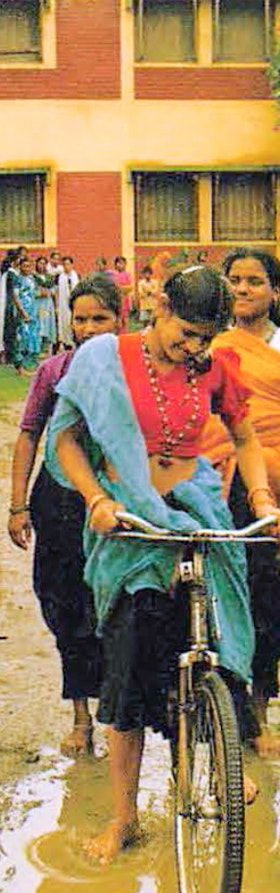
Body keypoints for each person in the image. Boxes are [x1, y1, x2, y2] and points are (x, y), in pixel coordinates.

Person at [45, 264, 280, 864]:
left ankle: (210, 757)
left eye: (207, 337)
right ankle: (123, 818)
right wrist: (95, 497)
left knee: (214, 640)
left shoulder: (214, 366)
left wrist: (259, 500)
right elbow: (66, 439)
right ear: (159, 308)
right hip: (130, 522)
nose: (195, 348)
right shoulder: (103, 358)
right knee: (129, 666)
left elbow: (245, 437)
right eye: (187, 333)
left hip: (196, 511)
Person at [8, 273, 121, 755]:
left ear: (121, 320)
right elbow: (29, 434)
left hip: (114, 505)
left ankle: (118, 719)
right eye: (81, 319)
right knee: (63, 604)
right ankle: (80, 716)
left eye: (101, 318)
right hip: (56, 500)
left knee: (113, 608)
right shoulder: (54, 372)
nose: (90, 328)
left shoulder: (134, 373)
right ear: (69, 323)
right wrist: (18, 505)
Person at [201, 248, 280, 758]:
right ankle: (229, 708)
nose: (244, 289)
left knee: (272, 597)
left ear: (275, 291)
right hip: (225, 483)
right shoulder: (209, 346)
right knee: (230, 591)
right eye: (235, 280)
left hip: (275, 489)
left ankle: (261, 704)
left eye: (255, 281)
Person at [0, 247, 27, 366]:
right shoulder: (12, 275)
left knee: (6, 330)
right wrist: (21, 311)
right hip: (10, 307)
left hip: (5, 306)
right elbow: (14, 294)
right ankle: (9, 357)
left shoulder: (5, 273)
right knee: (11, 332)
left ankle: (3, 355)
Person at [34, 255, 57, 355]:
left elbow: (54, 290)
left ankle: (46, 348)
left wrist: (51, 293)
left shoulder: (49, 277)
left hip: (48, 304)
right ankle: (37, 348)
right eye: (40, 263)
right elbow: (31, 291)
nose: (42, 266)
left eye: (44, 263)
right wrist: (38, 293)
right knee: (40, 324)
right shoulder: (33, 277)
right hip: (39, 304)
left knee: (48, 324)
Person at [56, 256, 79, 350]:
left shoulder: (75, 275)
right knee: (64, 323)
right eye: (64, 264)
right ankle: (65, 342)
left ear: (72, 265)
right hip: (63, 306)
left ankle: (74, 342)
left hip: (74, 304)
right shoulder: (60, 277)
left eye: (68, 264)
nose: (67, 266)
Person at [110, 256, 134, 330]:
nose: (121, 265)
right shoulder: (112, 274)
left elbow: (130, 287)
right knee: (118, 319)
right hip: (116, 300)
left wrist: (121, 288)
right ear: (115, 264)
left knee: (125, 319)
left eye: (123, 263)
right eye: (119, 263)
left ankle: (125, 335)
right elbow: (113, 286)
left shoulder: (127, 274)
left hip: (125, 300)